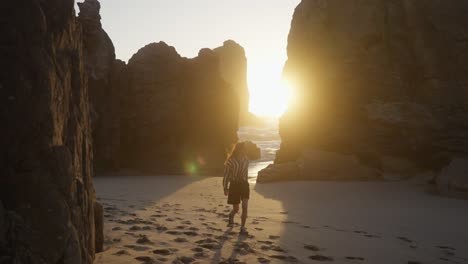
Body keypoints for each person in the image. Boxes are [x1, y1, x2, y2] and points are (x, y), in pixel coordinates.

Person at [222, 142, 250, 234]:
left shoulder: (246, 159)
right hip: (234, 185)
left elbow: (246, 173)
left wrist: (246, 181)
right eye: (244, 148)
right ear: (239, 149)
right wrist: (225, 187)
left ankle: (242, 227)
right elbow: (226, 175)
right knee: (236, 209)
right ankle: (231, 216)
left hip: (244, 185)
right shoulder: (230, 161)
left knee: (245, 206)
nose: (246, 150)